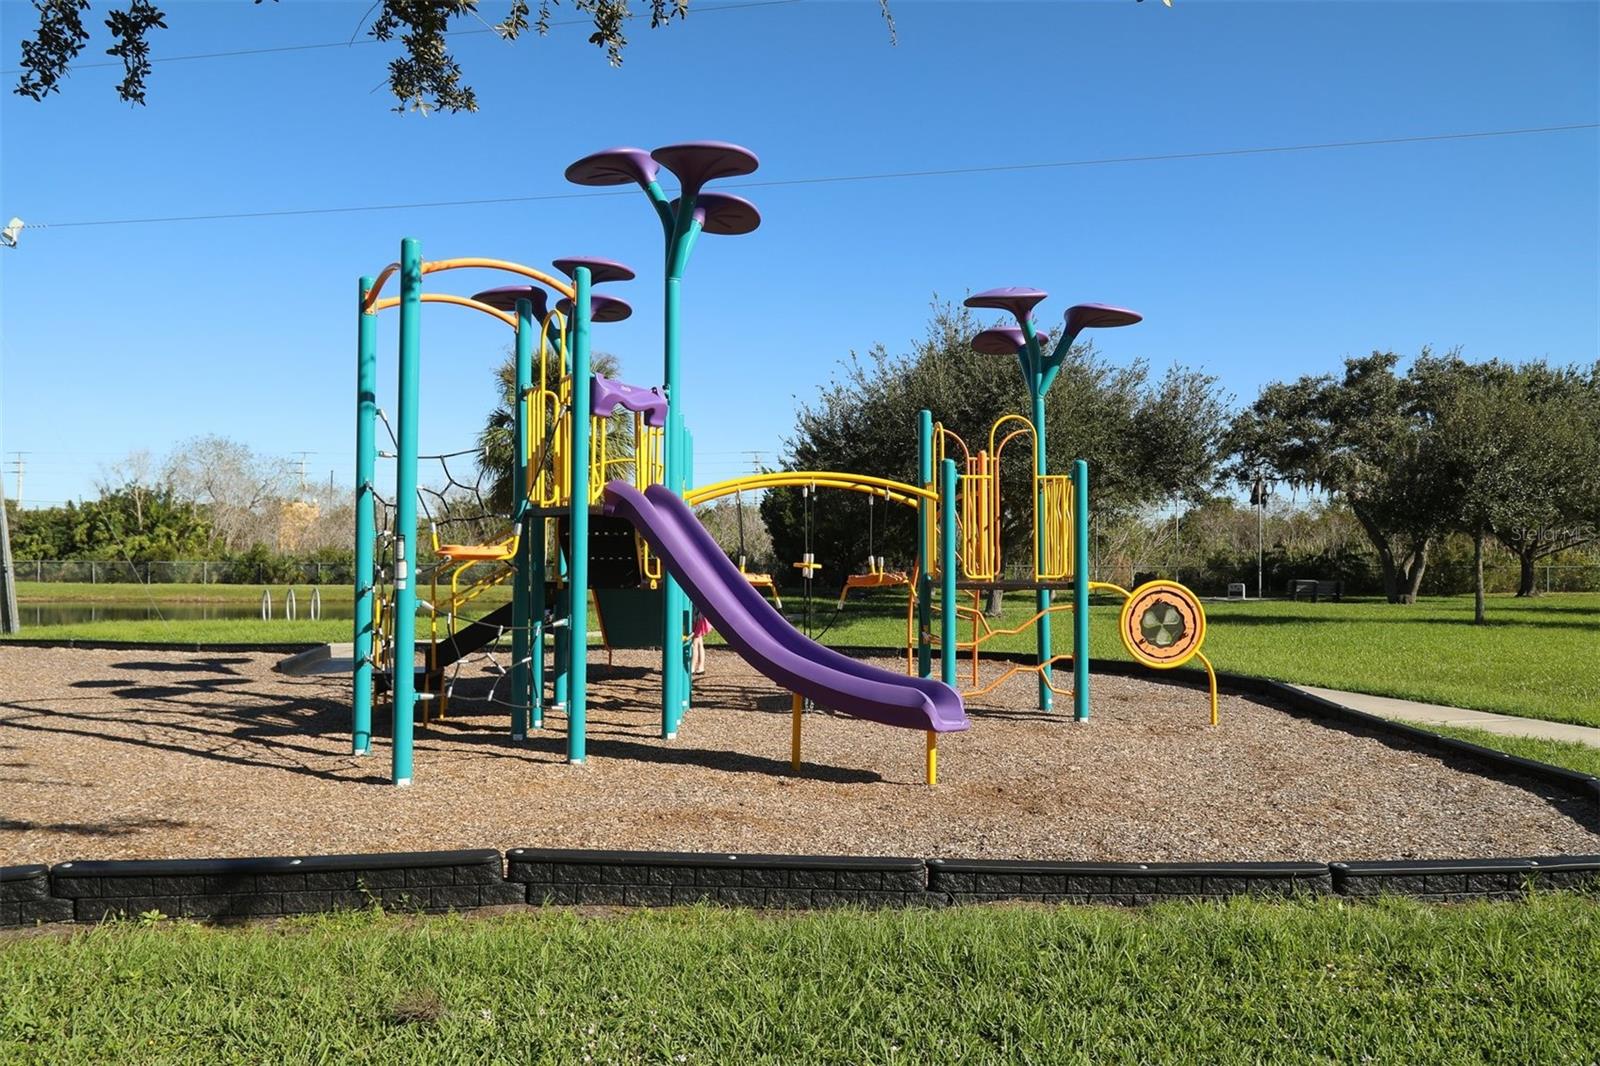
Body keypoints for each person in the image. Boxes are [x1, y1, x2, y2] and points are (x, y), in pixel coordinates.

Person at [690, 608, 712, 675]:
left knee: (695, 643)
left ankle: (692, 668)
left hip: (697, 619)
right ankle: (701, 667)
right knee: (699, 643)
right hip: (701, 619)